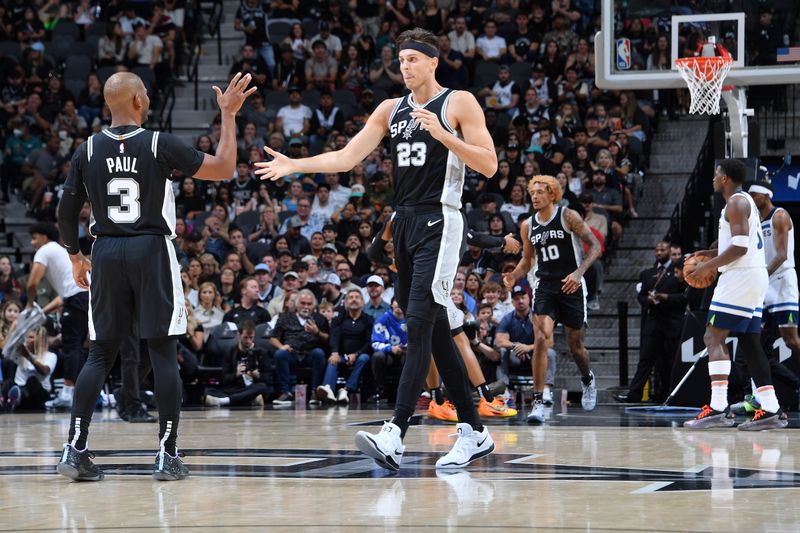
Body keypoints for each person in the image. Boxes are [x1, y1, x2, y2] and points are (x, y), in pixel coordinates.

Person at [257, 28, 497, 471]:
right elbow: (346, 158)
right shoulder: (391, 109)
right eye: (400, 59)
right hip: (403, 221)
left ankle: (395, 433)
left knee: (421, 321)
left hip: (440, 219)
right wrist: (295, 165)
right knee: (435, 326)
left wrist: (445, 136)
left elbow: (489, 163)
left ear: (432, 62)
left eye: (412, 59)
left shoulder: (458, 102)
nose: (404, 66)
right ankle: (475, 431)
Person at [54, 71, 256, 481]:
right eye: (144, 91)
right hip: (151, 249)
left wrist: (75, 256)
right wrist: (229, 117)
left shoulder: (87, 149)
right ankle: (167, 453)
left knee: (99, 355)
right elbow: (223, 169)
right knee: (163, 352)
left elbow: (64, 212)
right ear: (137, 102)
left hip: (105, 251)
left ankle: (75, 449)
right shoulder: (159, 143)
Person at [683, 159, 788, 431]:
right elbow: (739, 245)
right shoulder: (743, 203)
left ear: (726, 177)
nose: (714, 178)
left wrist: (707, 266)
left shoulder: (737, 203)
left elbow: (740, 247)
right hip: (751, 276)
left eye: (717, 174)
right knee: (751, 343)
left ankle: (718, 408)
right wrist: (710, 255)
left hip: (740, 277)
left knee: (712, 336)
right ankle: (772, 409)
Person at [503, 175, 601, 424]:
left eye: (539, 192)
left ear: (552, 194)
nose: (534, 196)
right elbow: (527, 259)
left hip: (571, 286)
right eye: (532, 192)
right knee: (540, 338)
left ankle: (587, 378)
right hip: (545, 286)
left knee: (575, 347)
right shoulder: (527, 225)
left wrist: (579, 274)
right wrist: (514, 276)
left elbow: (595, 246)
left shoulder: (568, 216)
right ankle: (538, 401)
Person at [27, 223, 89, 410]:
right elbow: (63, 297)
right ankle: (74, 394)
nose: (32, 242)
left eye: (35, 237)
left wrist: (30, 304)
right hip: (84, 298)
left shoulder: (45, 250)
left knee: (71, 347)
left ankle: (67, 395)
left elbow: (32, 284)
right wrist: (42, 311)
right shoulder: (58, 251)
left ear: (45, 237)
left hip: (79, 298)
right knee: (77, 347)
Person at [615, 241, 686, 403]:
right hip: (653, 322)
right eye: (657, 250)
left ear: (670, 251)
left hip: (672, 322)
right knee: (645, 360)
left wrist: (665, 298)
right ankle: (634, 394)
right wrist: (648, 300)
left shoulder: (677, 272)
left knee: (672, 361)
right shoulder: (647, 273)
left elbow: (684, 298)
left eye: (663, 249)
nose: (659, 252)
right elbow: (640, 296)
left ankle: (673, 394)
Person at [317, 288, 373, 405]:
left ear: (363, 302)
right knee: (332, 360)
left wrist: (356, 354)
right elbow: (334, 337)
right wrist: (335, 352)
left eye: (357, 297)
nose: (354, 300)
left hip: (360, 356)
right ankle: (328, 390)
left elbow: (369, 342)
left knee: (364, 358)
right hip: (342, 355)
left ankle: (345, 390)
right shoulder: (339, 319)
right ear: (346, 302)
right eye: (350, 297)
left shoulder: (368, 320)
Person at [205, 320, 270, 407]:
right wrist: (236, 374)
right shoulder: (230, 352)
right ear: (238, 335)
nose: (248, 341)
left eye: (251, 338)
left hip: (253, 386)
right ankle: (249, 399)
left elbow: (268, 379)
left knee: (262, 387)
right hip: (235, 387)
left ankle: (225, 401)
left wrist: (257, 375)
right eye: (245, 337)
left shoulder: (261, 352)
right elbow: (224, 378)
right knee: (208, 390)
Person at [3, 327, 57, 411]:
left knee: (33, 380)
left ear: (41, 340)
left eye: (31, 337)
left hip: (39, 394)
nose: (27, 340)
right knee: (8, 382)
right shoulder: (21, 352)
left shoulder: (51, 356)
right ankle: (5, 401)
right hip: (19, 387)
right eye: (27, 337)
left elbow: (44, 371)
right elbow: (5, 351)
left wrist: (29, 357)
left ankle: (17, 398)